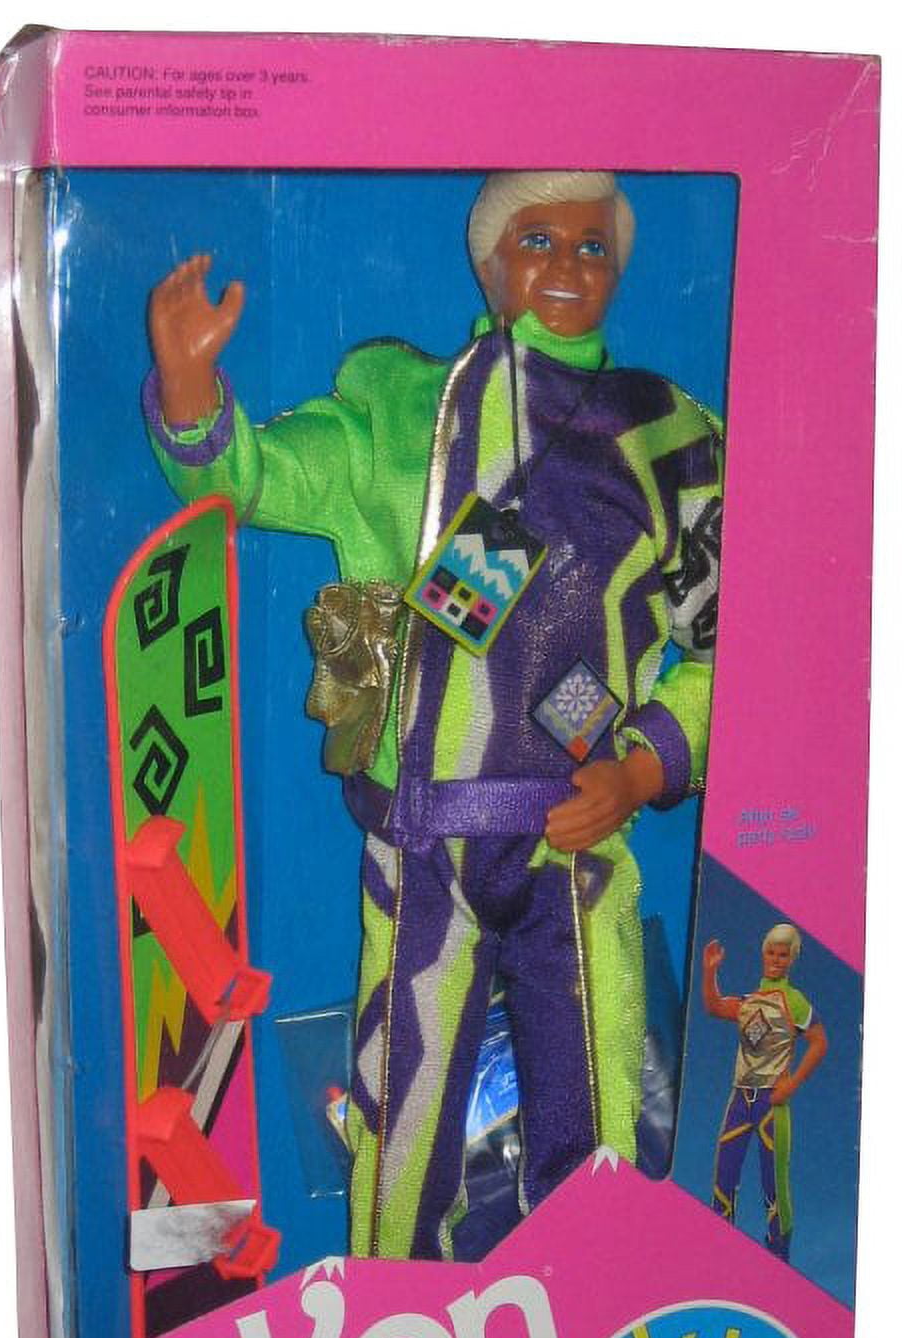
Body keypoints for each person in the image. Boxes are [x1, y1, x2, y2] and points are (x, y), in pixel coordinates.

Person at [144, 170, 723, 1260]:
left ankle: (593, 1299)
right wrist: (189, 394)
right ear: (489, 259)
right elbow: (259, 479)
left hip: (576, 839)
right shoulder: (407, 408)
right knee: (402, 1115)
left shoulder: (668, 436)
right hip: (426, 840)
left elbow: (723, 643)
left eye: (592, 247)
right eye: (538, 240)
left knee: (601, 1099)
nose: (565, 267)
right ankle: (398, 1309)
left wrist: (643, 767)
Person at [702, 924, 828, 1261]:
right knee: (723, 1178)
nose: (775, 959)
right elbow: (715, 1007)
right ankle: (719, 1255)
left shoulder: (795, 1001)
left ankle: (778, 1260)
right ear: (762, 954)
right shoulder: (749, 1001)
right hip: (739, 1100)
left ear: (792, 959)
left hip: (772, 1104)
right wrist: (710, 972)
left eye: (783, 955)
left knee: (774, 1185)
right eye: (771, 952)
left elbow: (819, 1042)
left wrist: (792, 1084)